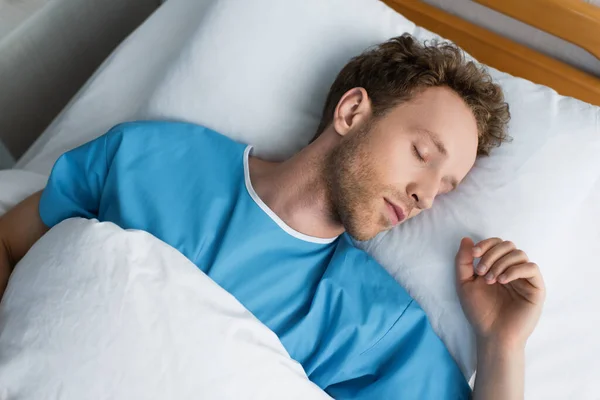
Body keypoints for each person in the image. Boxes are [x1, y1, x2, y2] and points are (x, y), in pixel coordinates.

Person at [0, 34, 544, 399]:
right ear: (352, 112)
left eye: (445, 190)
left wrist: (501, 345)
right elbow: (9, 243)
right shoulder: (150, 156)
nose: (426, 196)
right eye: (423, 156)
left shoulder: (373, 321)